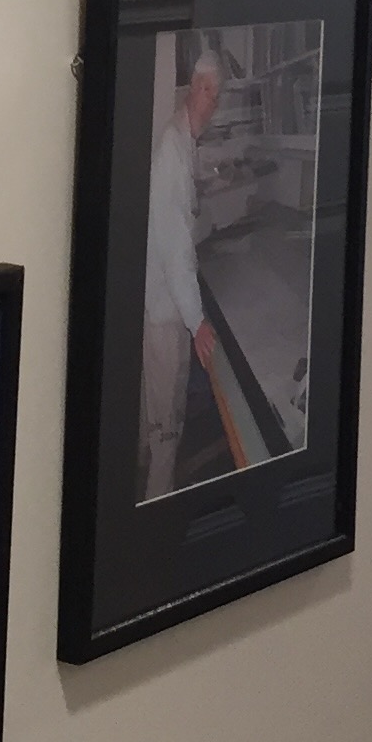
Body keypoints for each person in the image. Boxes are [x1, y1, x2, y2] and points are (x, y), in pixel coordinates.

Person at [137, 45, 221, 501]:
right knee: (167, 422)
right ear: (194, 89)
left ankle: (145, 480)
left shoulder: (184, 141)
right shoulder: (172, 148)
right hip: (165, 311)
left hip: (164, 304)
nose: (212, 103)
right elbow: (173, 250)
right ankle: (156, 505)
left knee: (155, 415)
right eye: (208, 92)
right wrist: (197, 321)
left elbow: (180, 226)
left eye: (217, 95)